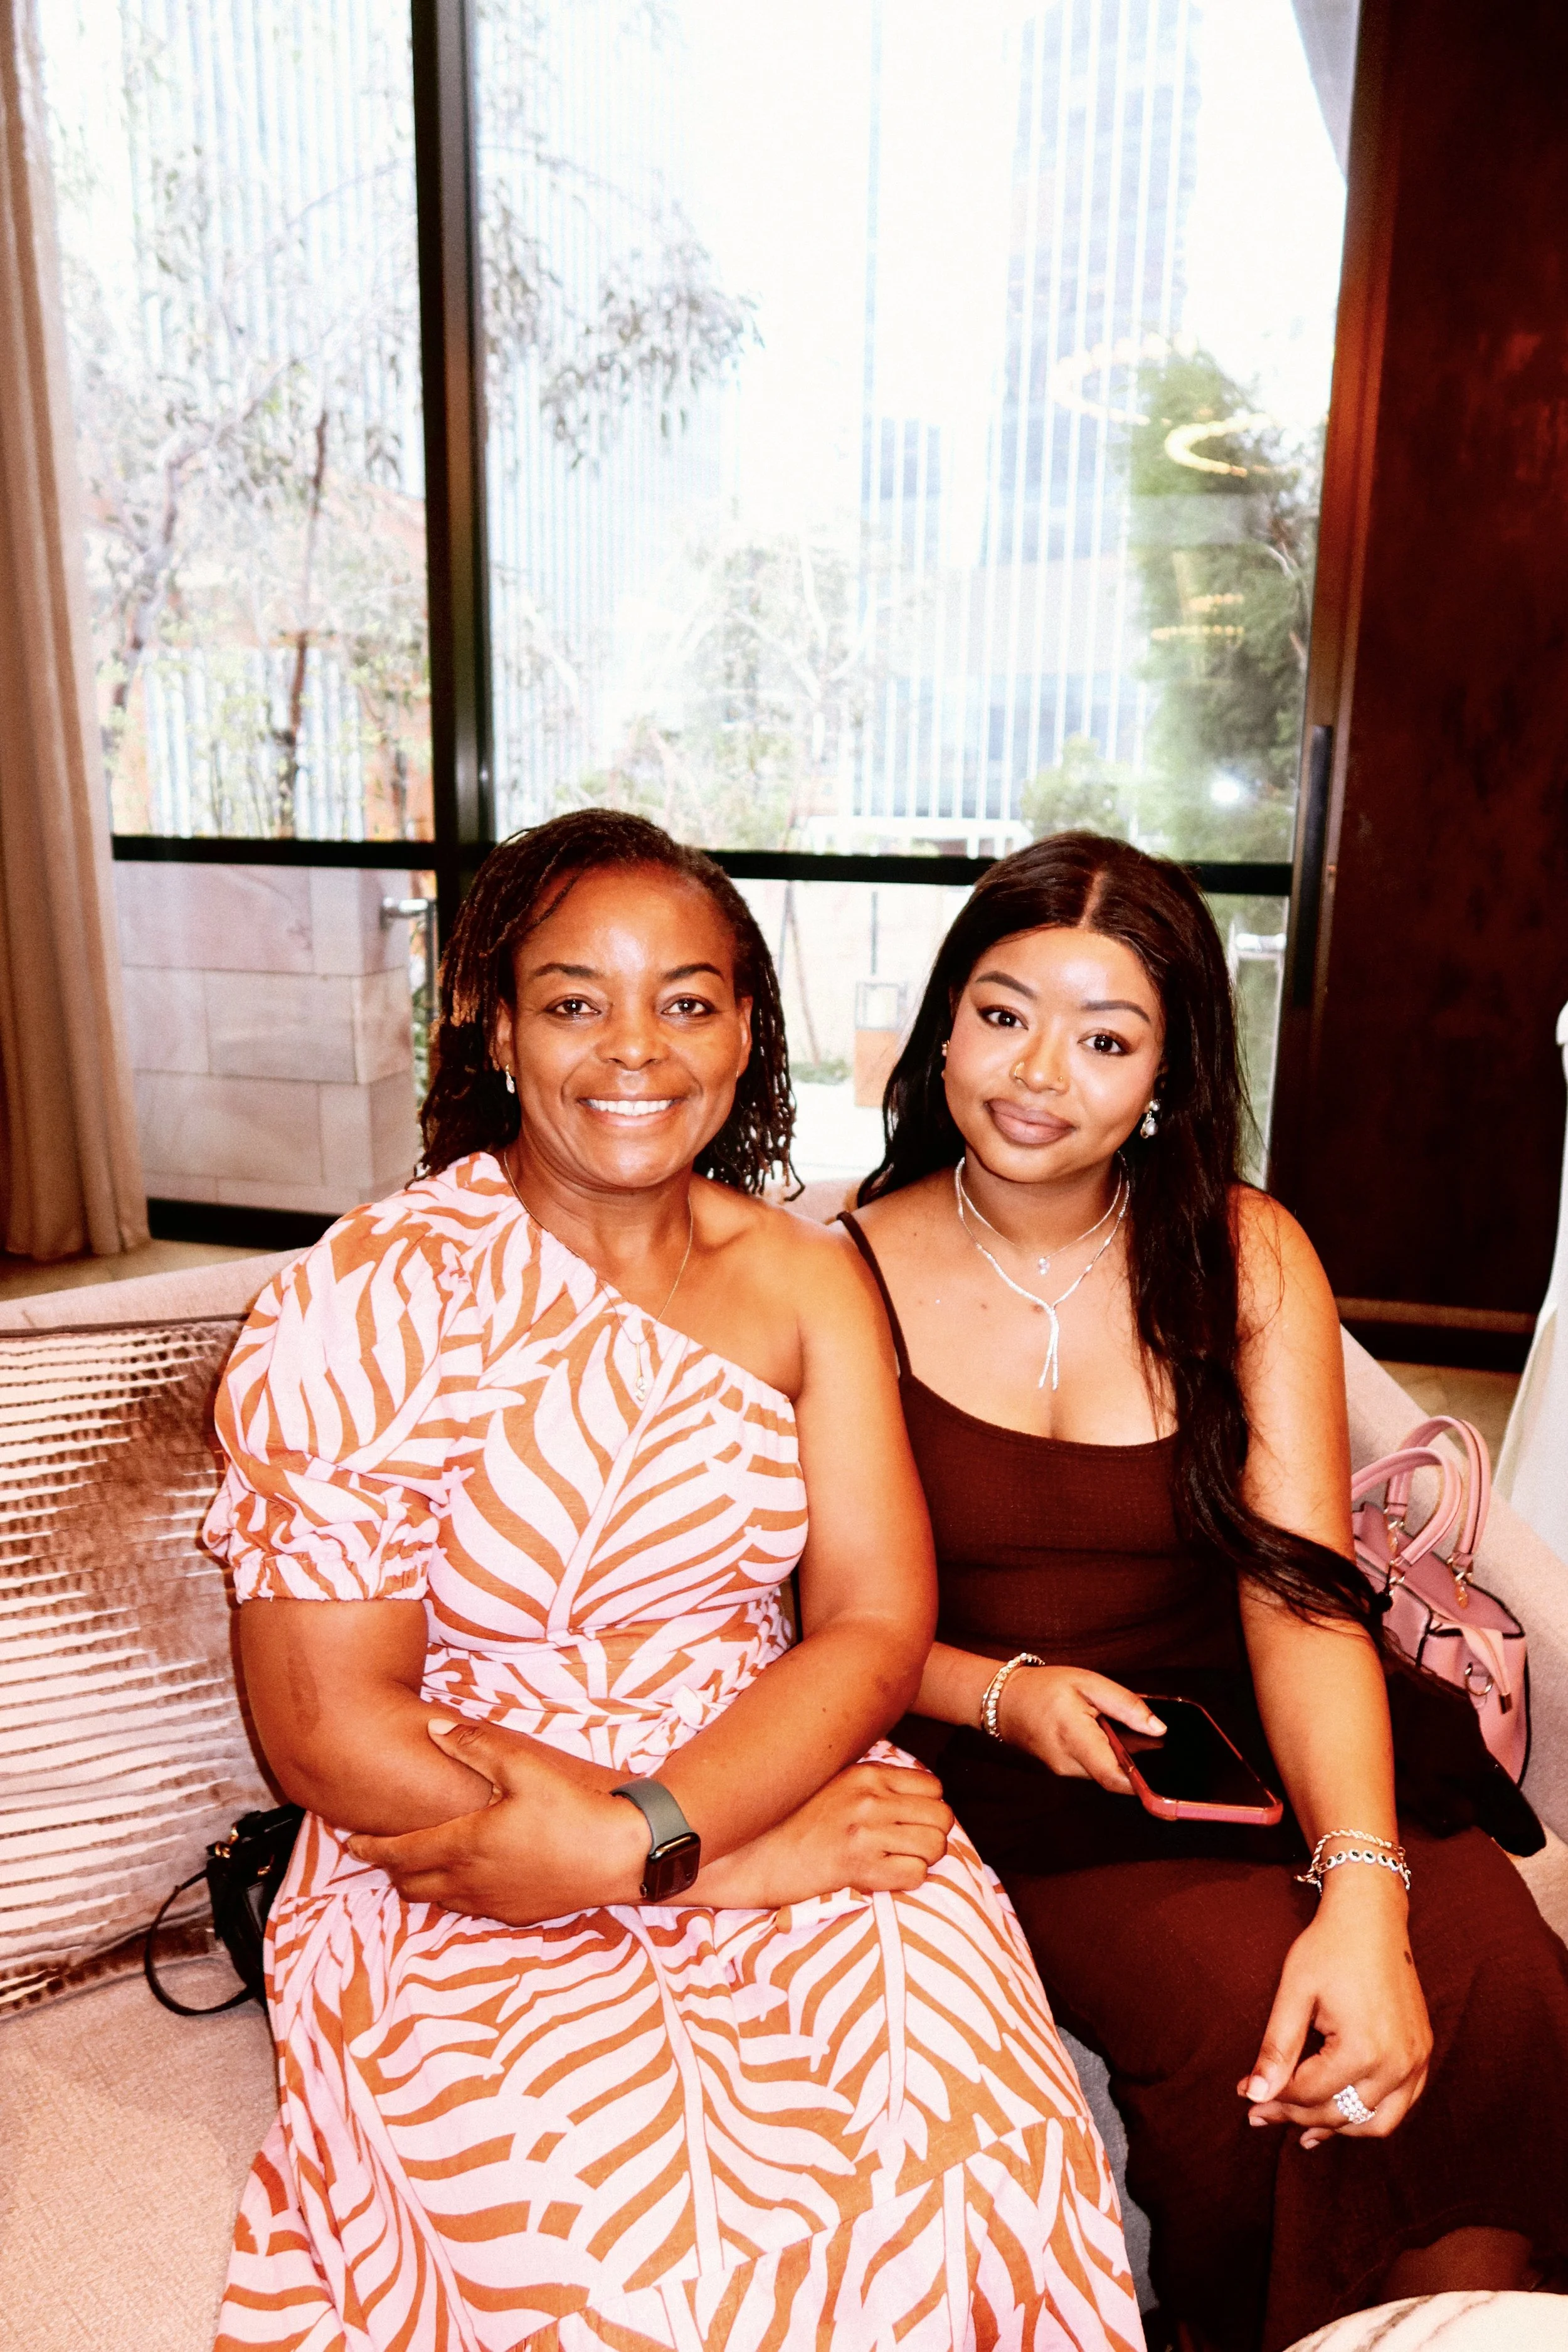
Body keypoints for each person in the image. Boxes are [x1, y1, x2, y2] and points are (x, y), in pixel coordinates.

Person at [203, 810, 1143, 2352]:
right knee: (627, 2275)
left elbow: (869, 1619)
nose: (632, 1049)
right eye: (573, 1001)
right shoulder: (361, 1301)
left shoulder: (807, 1277)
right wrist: (684, 1864)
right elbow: (323, 1725)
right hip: (466, 1833)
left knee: (978, 2177)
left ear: (745, 1029)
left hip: (783, 1764)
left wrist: (661, 1829)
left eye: (685, 1002)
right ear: (493, 1026)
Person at [837, 832, 1568, 2352]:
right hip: (1012, 1767)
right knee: (1248, 2021)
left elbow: (1299, 1598)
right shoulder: (834, 1274)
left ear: (1165, 1074)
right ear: (940, 1026)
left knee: (1498, 1978)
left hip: (1259, 1728)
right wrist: (998, 1693)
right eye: (1001, 1013)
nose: (1038, 1073)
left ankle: (1472, 2318)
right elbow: (809, 1610)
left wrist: (1361, 1879)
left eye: (1104, 1039)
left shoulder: (1243, 1252)